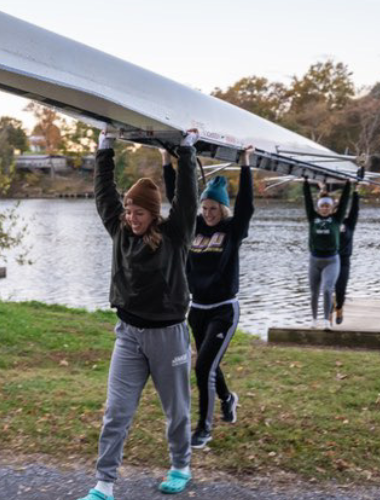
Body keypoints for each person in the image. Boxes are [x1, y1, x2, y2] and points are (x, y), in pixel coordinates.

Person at [76, 128, 199, 500]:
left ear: (153, 212)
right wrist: (105, 148)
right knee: (116, 411)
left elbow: (188, 200)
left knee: (176, 410)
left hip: (169, 335)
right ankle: (104, 486)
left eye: (138, 212)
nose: (131, 217)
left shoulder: (176, 233)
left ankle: (180, 466)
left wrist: (187, 154)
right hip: (128, 334)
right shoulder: (119, 230)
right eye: (128, 210)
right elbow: (103, 195)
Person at [162, 147, 254, 449]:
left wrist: (246, 166)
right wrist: (167, 162)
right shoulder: (195, 226)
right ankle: (228, 399)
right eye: (206, 208)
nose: (208, 213)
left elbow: (246, 207)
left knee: (203, 367)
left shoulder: (232, 229)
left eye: (214, 208)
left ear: (223, 209)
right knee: (208, 364)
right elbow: (178, 200)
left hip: (224, 309)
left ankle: (204, 429)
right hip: (197, 309)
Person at [302, 178, 351, 330]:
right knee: (314, 292)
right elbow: (308, 201)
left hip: (331, 260)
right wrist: (305, 182)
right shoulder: (313, 218)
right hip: (315, 260)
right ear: (318, 208)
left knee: (328, 289)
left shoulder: (336, 219)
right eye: (322, 206)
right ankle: (314, 320)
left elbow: (344, 203)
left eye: (327, 206)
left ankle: (326, 321)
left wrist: (348, 184)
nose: (324, 208)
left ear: (331, 208)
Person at [334, 188, 360, 324]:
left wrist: (355, 193)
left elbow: (355, 210)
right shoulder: (331, 221)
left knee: (340, 289)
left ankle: (339, 308)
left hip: (344, 260)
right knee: (327, 287)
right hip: (329, 260)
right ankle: (327, 313)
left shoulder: (349, 223)